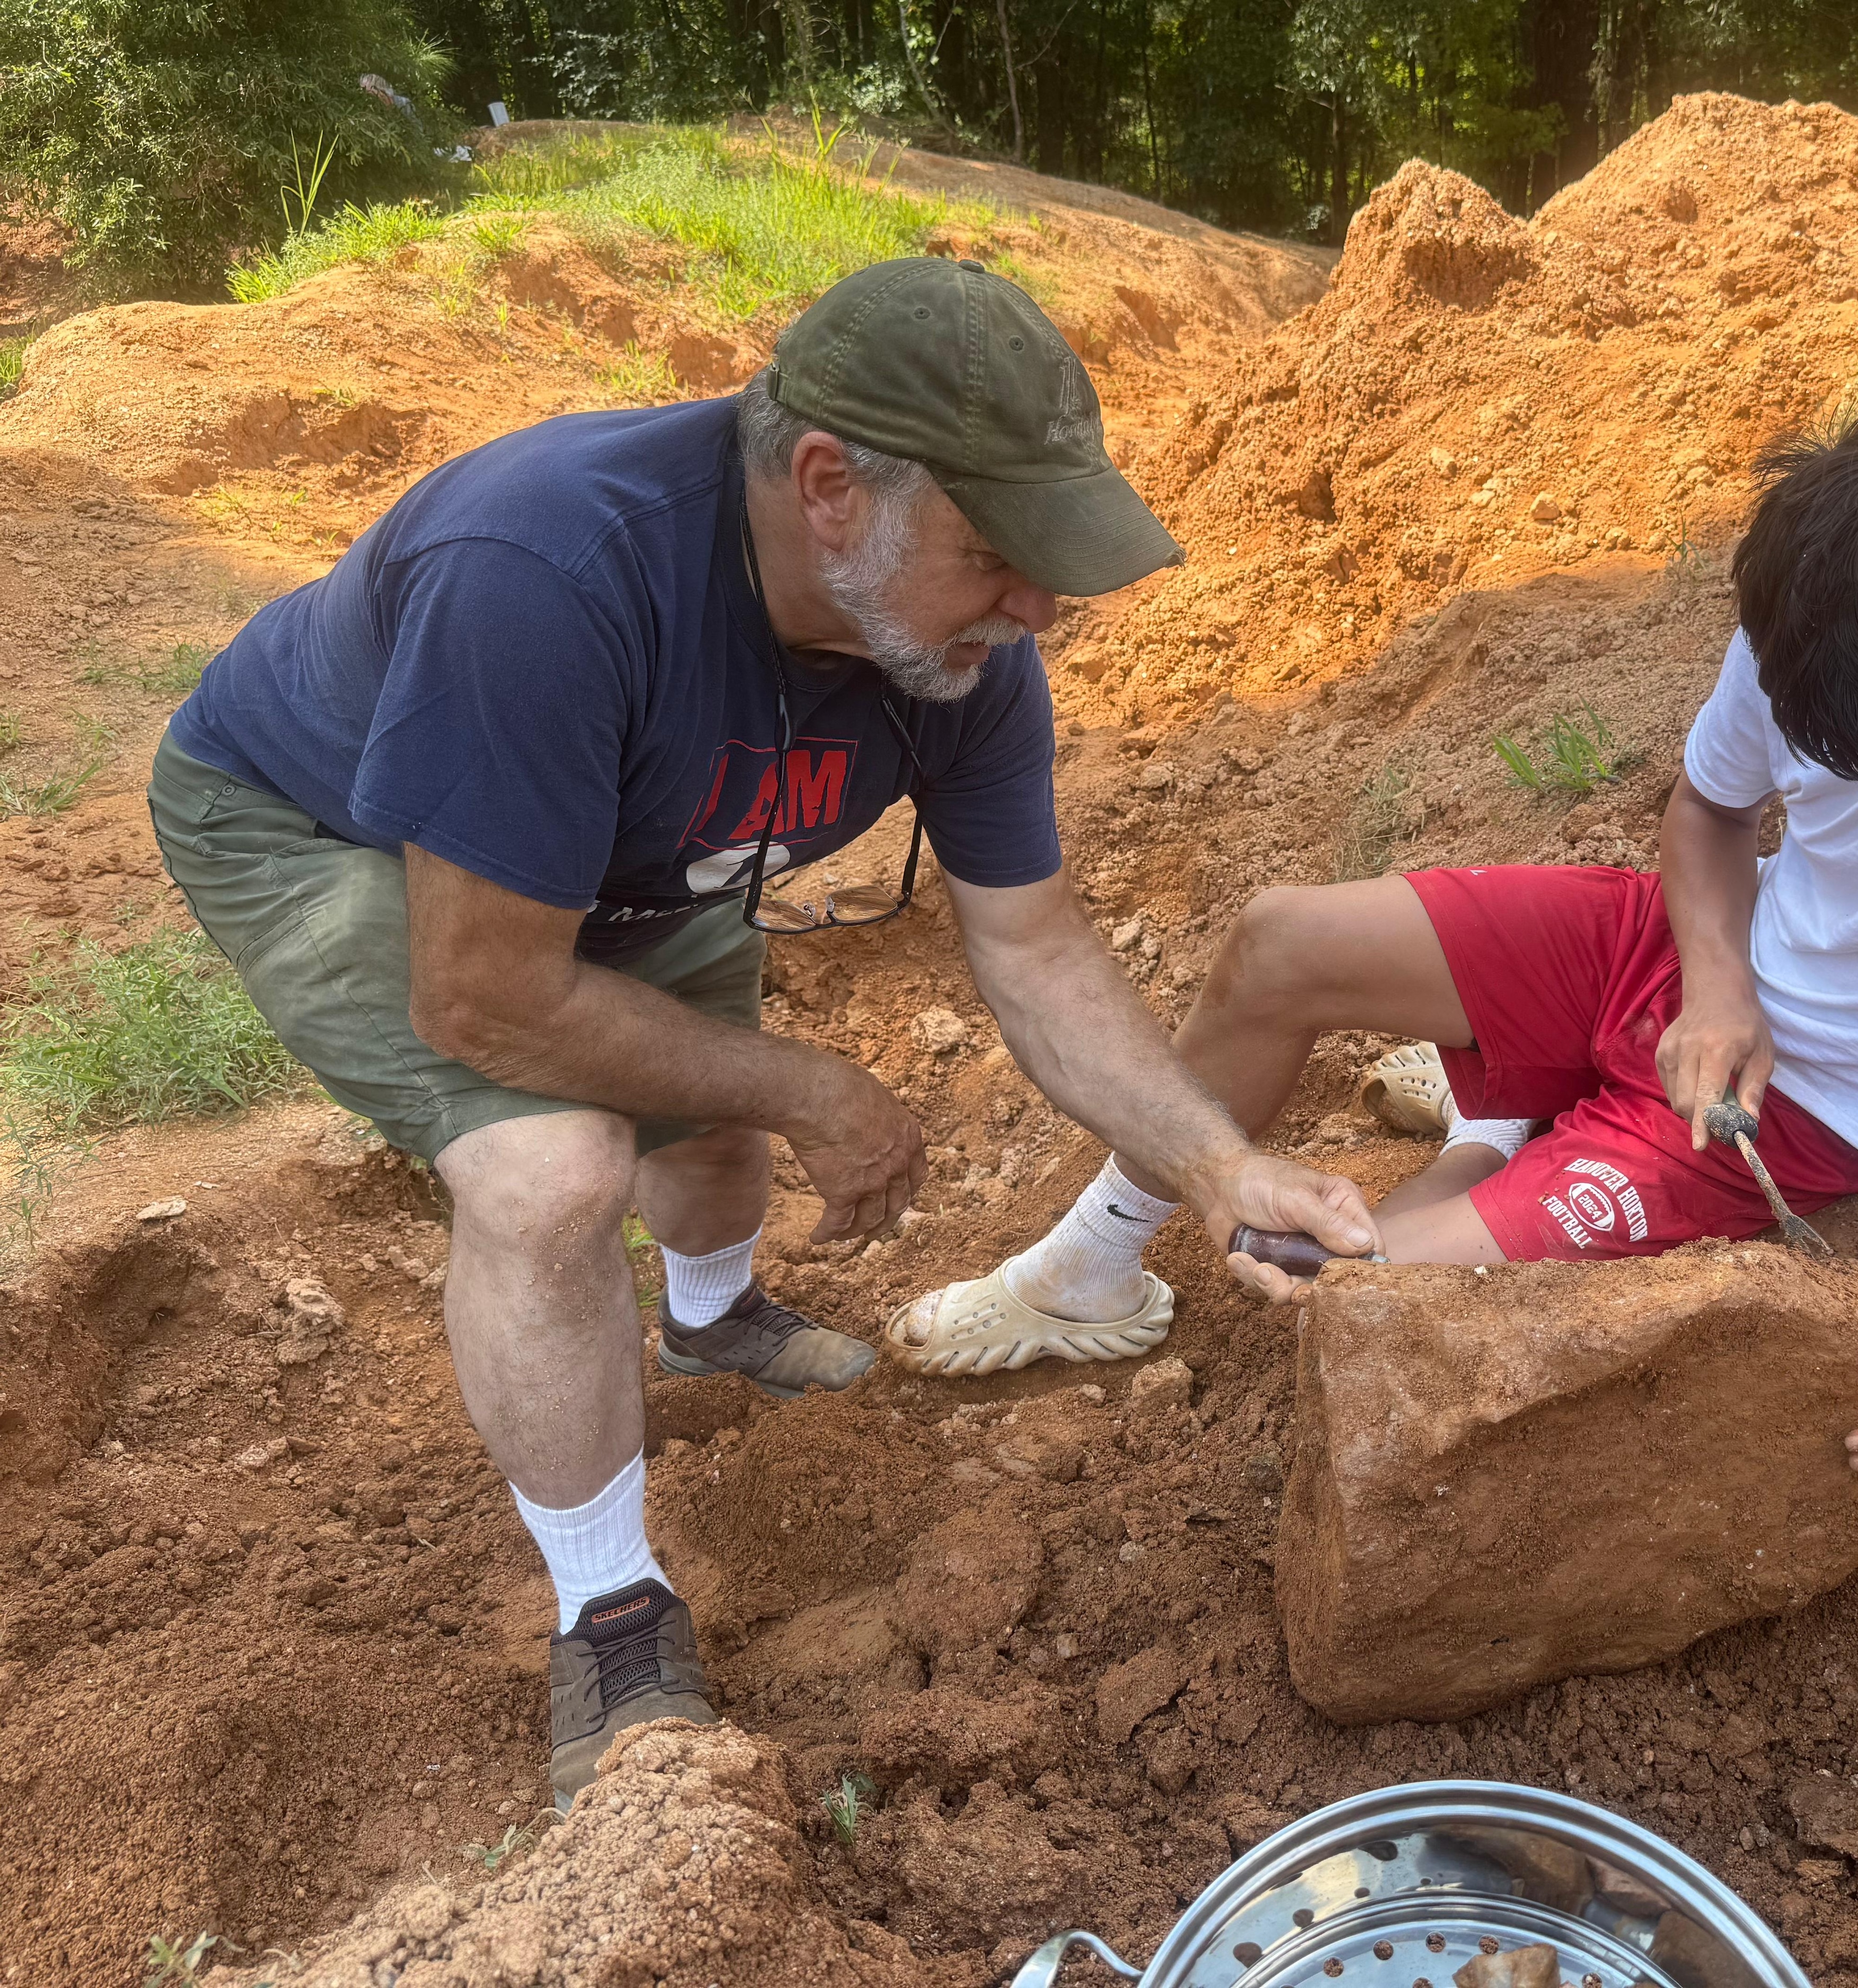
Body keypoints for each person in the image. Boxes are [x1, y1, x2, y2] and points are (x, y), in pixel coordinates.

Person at [147, 258, 1370, 1808]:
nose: (1038, 607)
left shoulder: (954, 656)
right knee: (552, 1172)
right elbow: (488, 992)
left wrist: (1214, 1163)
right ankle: (608, 1604)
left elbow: (1037, 946)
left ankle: (709, 1314)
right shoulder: (546, 573)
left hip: (626, 843)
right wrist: (812, 1080)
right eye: (998, 554)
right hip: (337, 828)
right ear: (827, 488)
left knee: (710, 1130)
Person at [892, 418, 1858, 1483]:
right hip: (1687, 964)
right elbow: (1706, 810)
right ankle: (1091, 1270)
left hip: (1810, 1111)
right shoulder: (1815, 629)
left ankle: (1505, 1127)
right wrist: (1720, 981)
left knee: (1362, 1292)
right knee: (1283, 943)